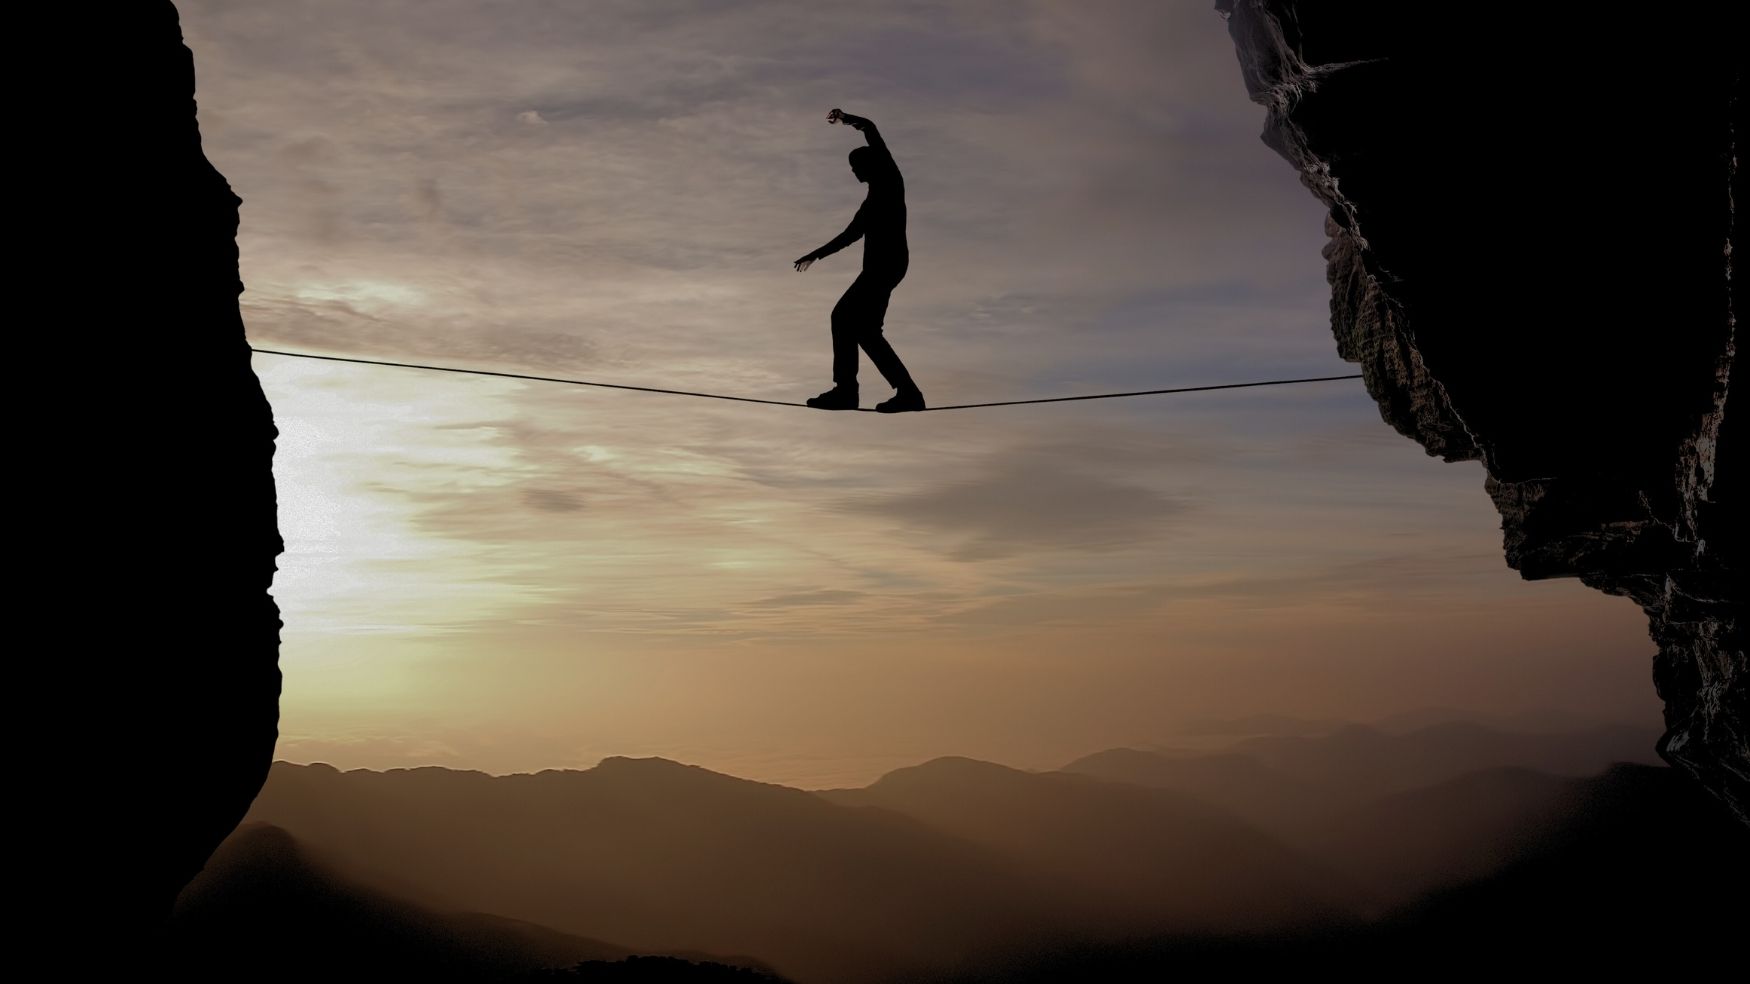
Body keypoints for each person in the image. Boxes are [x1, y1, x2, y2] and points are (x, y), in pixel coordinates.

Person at [794, 108, 926, 412]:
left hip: (886, 267)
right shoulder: (870, 203)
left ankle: (846, 391)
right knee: (865, 331)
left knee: (841, 318)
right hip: (886, 268)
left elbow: (871, 129)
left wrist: (845, 118)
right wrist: (816, 255)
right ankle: (907, 392)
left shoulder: (891, 181)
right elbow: (849, 235)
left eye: (856, 166)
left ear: (869, 164)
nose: (853, 172)